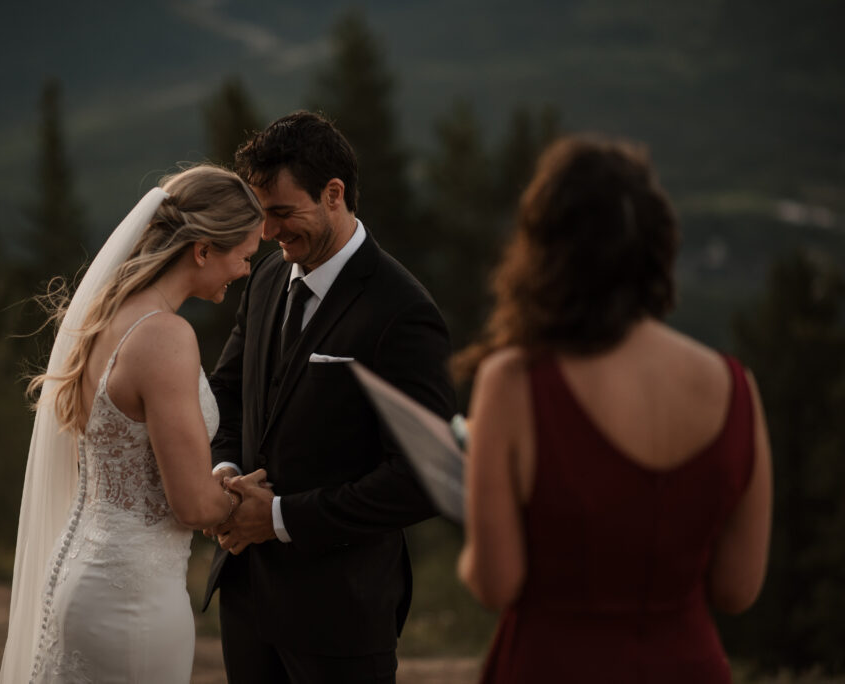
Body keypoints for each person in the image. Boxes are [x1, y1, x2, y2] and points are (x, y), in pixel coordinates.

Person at [455, 135, 773, 683]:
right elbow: (737, 589)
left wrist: (477, 496)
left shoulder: (514, 382)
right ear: (656, 246)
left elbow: (495, 582)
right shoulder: (736, 387)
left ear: (543, 253)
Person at [200, 111, 456, 684]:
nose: (268, 233)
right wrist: (225, 473)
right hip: (247, 601)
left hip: (341, 619)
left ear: (334, 193)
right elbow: (227, 395)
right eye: (262, 215)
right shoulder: (267, 280)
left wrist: (281, 517)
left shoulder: (403, 311)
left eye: (283, 213)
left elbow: (423, 477)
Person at [0, 164, 271, 683]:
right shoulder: (165, 336)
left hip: (84, 574)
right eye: (245, 255)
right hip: (135, 601)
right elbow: (191, 504)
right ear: (203, 249)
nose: (246, 271)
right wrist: (242, 499)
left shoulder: (107, 314)